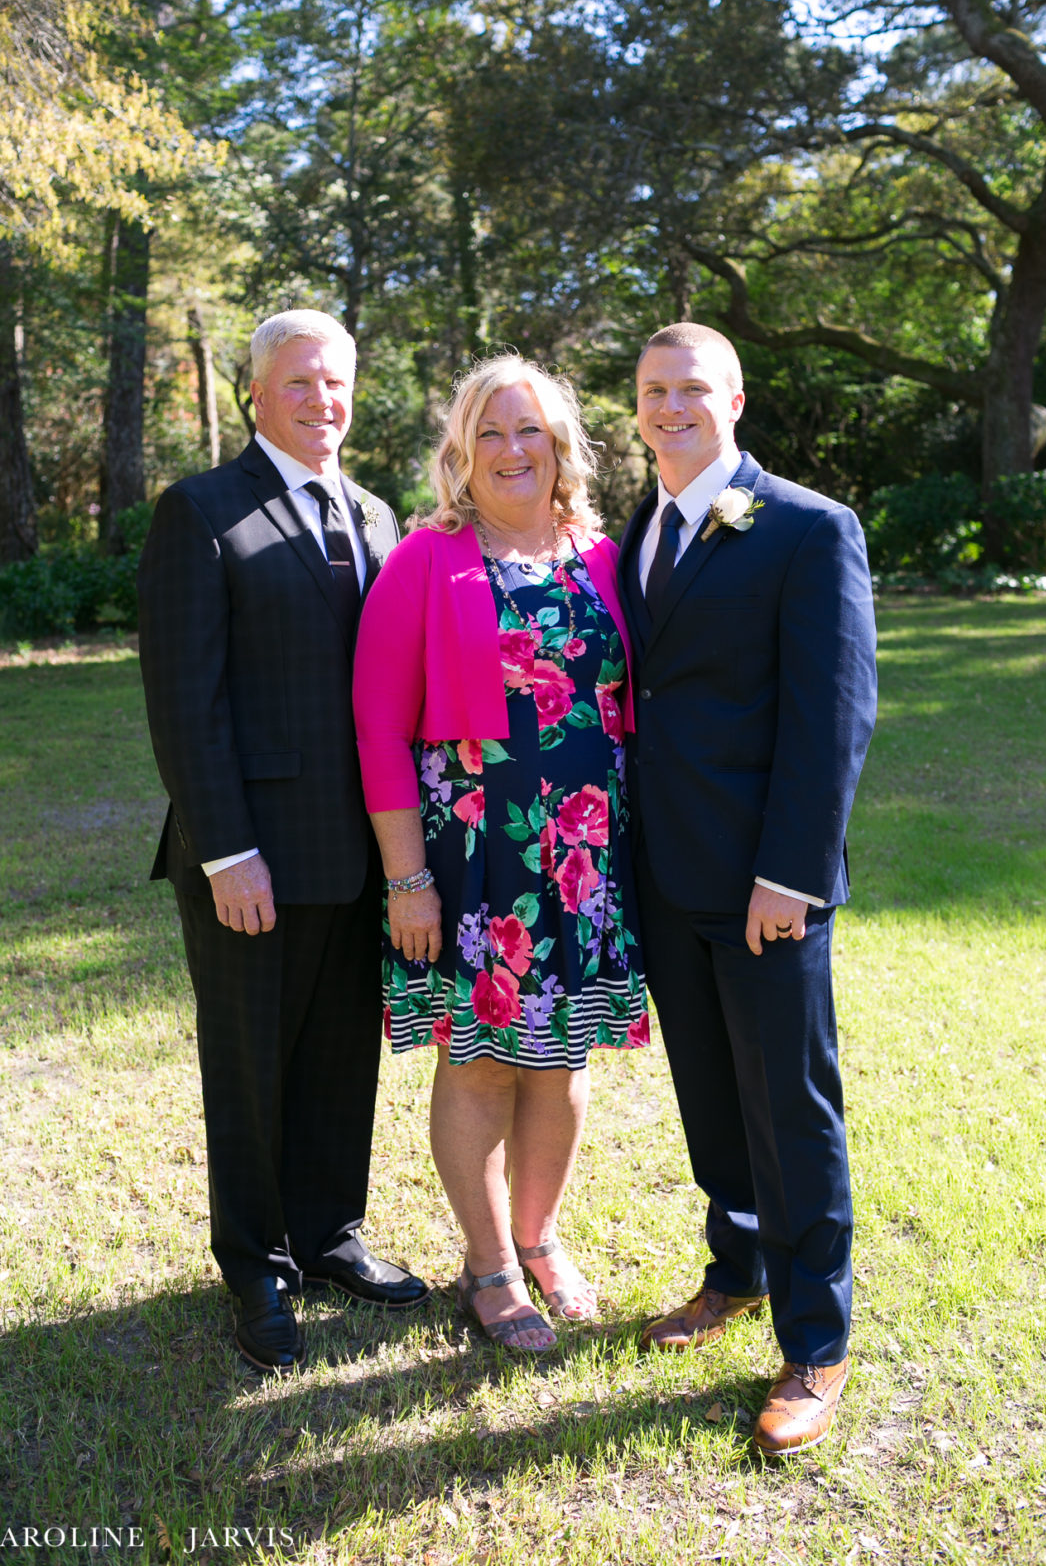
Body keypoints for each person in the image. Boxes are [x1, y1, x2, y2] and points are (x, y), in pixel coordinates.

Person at [137, 308, 429, 1375]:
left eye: (336, 381)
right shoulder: (201, 511)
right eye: (299, 381)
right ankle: (255, 1263)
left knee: (342, 1053)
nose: (321, 400)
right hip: (251, 854)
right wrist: (225, 850)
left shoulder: (377, 513)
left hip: (363, 849)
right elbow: (184, 700)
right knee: (250, 1062)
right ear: (257, 392)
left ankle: (328, 1233)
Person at [353, 356, 648, 1352]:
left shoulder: (599, 554)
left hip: (584, 854)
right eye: (489, 431)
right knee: (479, 1061)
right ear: (461, 451)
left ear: (560, 447)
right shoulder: (424, 560)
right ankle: (488, 1270)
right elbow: (378, 728)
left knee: (560, 1058)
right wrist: (408, 880)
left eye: (529, 430)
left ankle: (539, 1238)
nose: (511, 449)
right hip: (475, 856)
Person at [618, 322, 877, 1454]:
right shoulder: (638, 527)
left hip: (764, 882)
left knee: (790, 1108)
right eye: (652, 390)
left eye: (691, 388)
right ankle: (733, 1272)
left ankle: (815, 1341)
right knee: (711, 1097)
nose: (669, 406)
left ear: (732, 400)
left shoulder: (809, 527)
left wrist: (791, 875)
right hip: (663, 872)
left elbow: (834, 714)